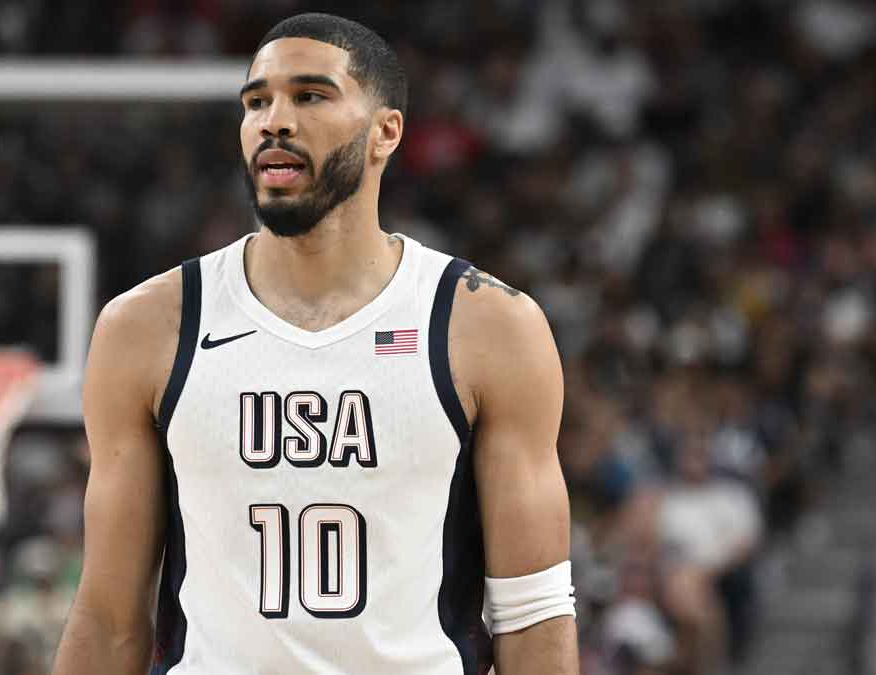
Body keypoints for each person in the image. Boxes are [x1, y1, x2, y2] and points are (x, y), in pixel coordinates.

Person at [53, 13, 577, 675]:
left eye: (310, 96)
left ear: (386, 132)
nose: (274, 119)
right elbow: (107, 616)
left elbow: (533, 611)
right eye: (256, 101)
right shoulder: (146, 326)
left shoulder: (487, 324)